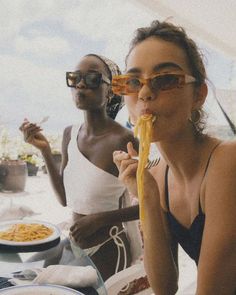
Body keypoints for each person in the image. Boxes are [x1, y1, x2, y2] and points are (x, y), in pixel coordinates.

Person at [113, 20, 236, 294]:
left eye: (166, 79)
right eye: (133, 81)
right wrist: (146, 197)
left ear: (198, 95)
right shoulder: (156, 176)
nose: (144, 92)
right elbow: (165, 287)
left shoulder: (228, 162)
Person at [19, 54, 142, 281]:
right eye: (74, 78)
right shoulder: (69, 133)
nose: (81, 84)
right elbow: (65, 199)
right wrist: (45, 150)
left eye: (93, 78)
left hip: (108, 247)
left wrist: (99, 219)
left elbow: (152, 205)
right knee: (17, 279)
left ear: (110, 90)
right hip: (73, 244)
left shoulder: (123, 140)